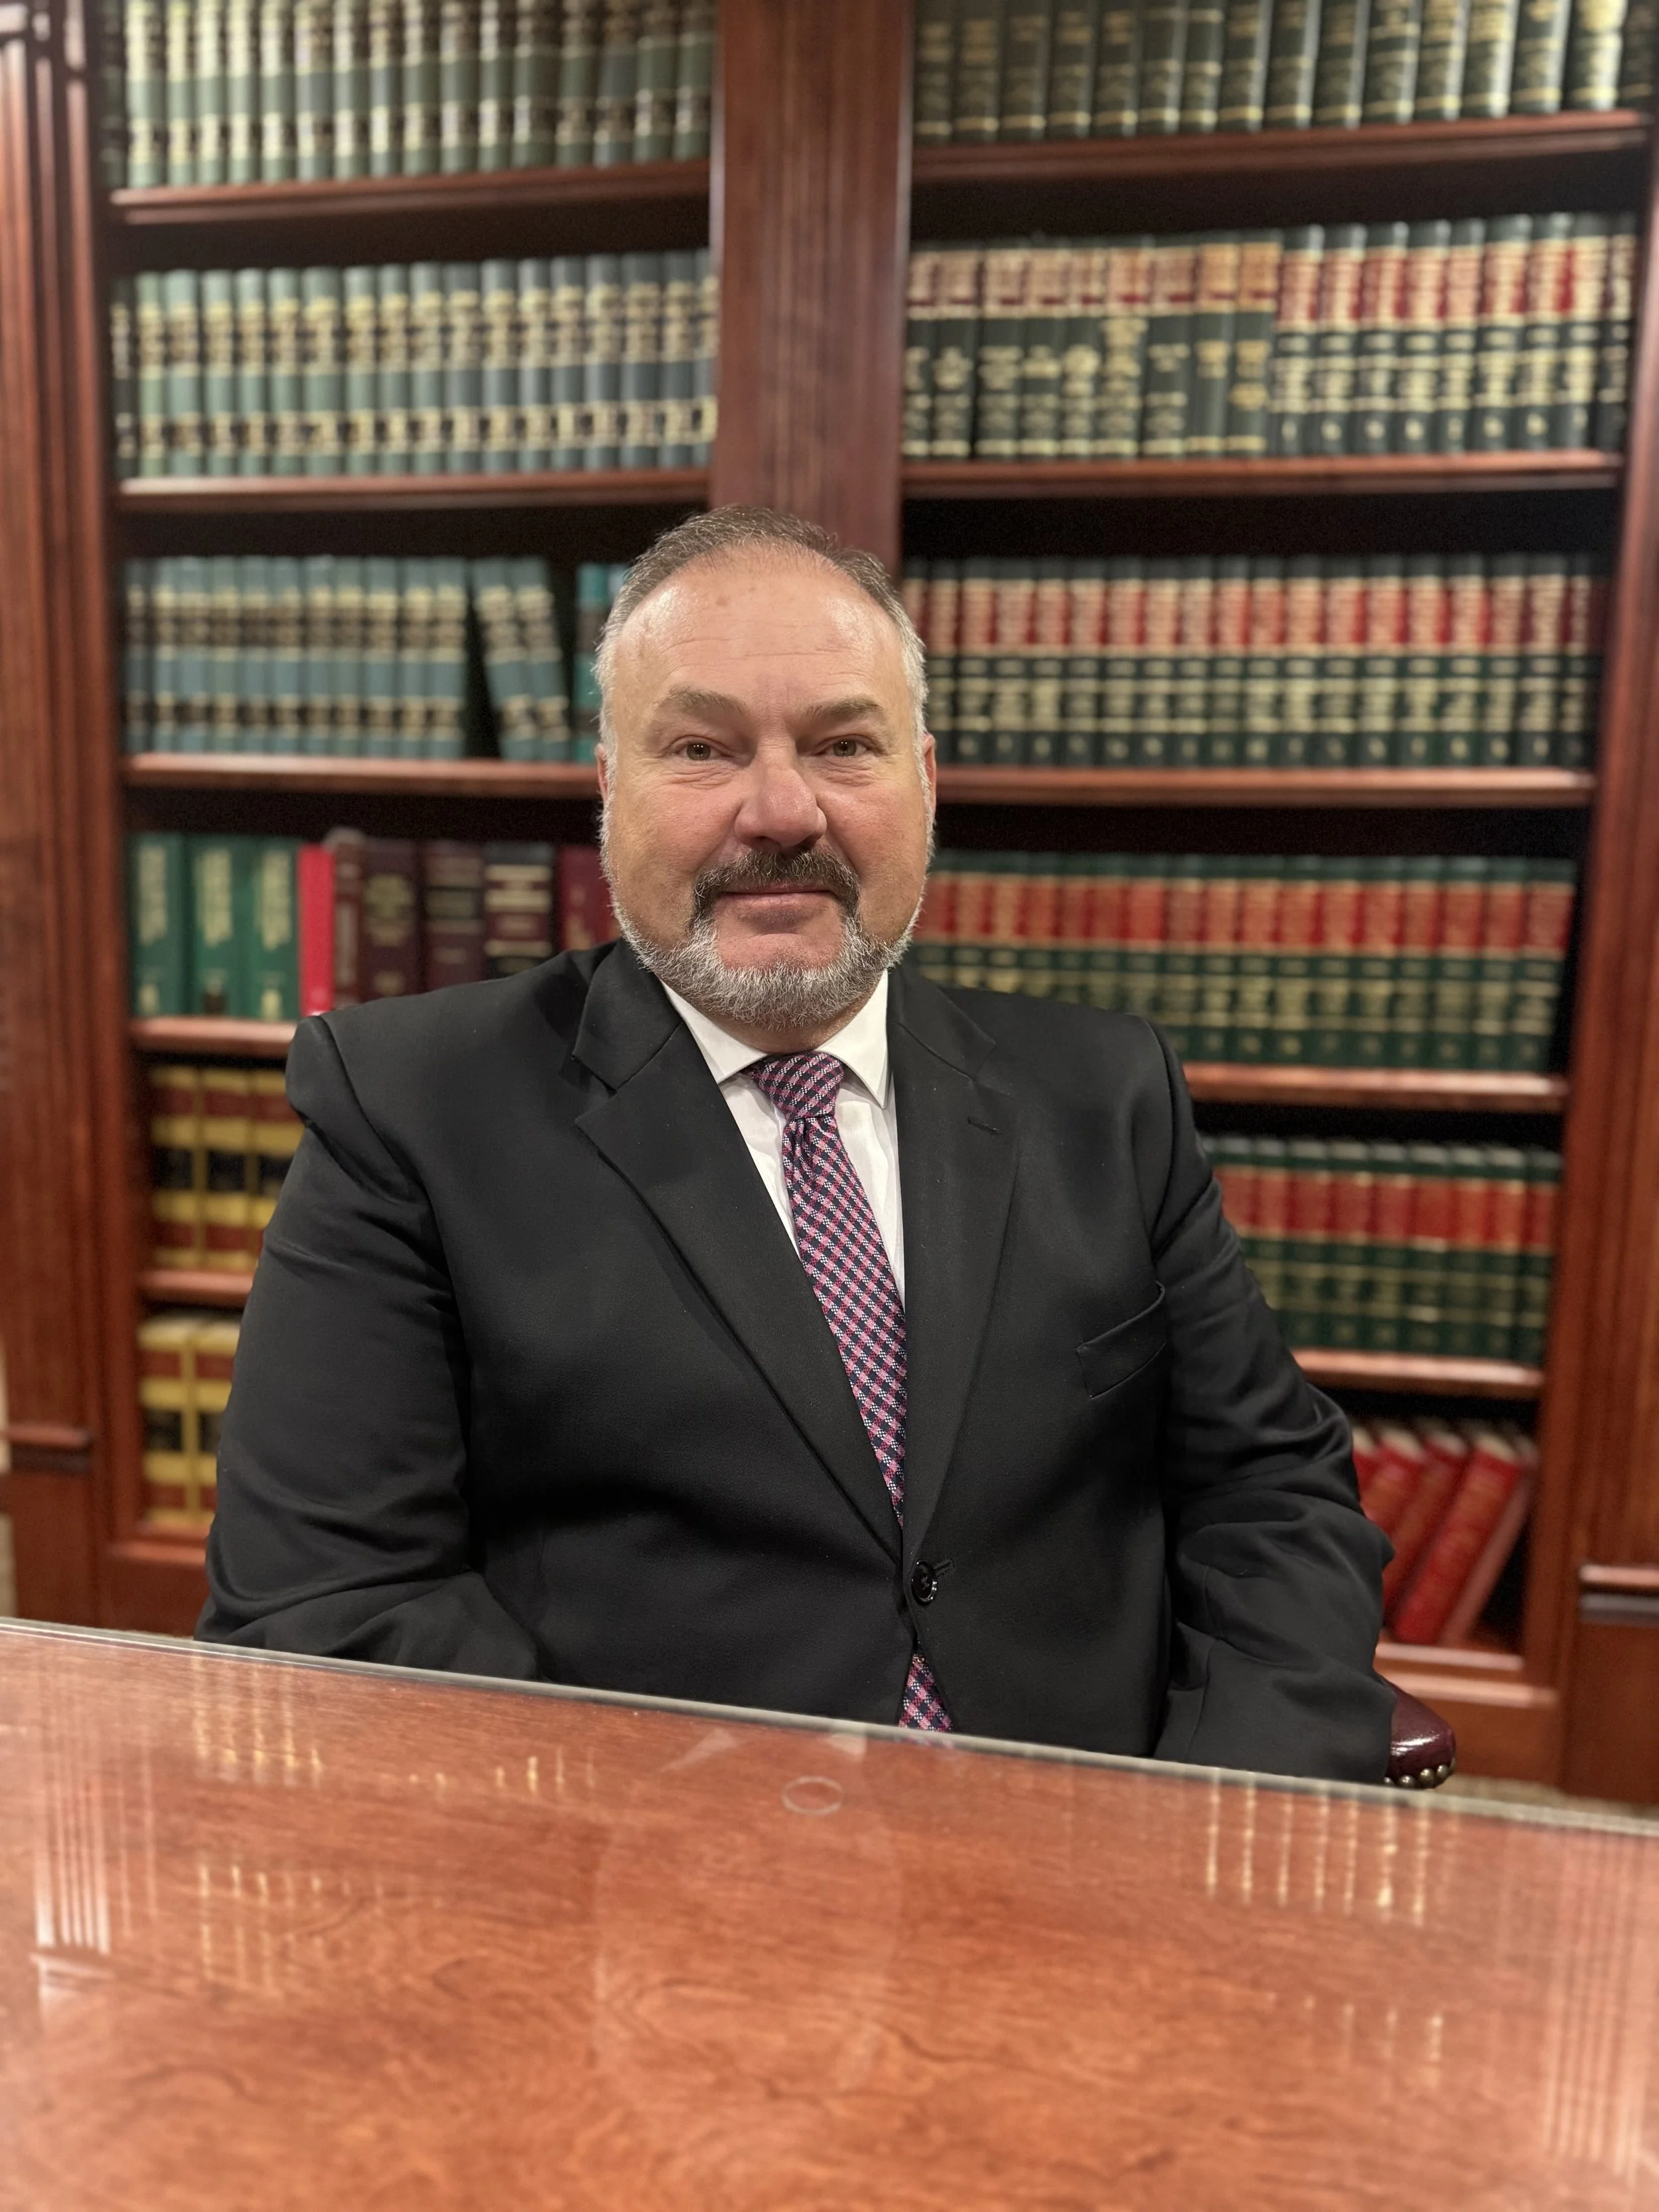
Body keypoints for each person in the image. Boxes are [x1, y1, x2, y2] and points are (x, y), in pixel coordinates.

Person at [200, 505, 1392, 1780]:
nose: (782, 811)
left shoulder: (1107, 1095)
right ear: (610, 787)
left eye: (844, 746)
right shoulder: (409, 1109)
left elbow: (1272, 1493)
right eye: (704, 748)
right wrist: (677, 1857)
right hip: (635, 1897)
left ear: (924, 780)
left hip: (1081, 1864)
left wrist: (1232, 1816)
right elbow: (323, 1604)